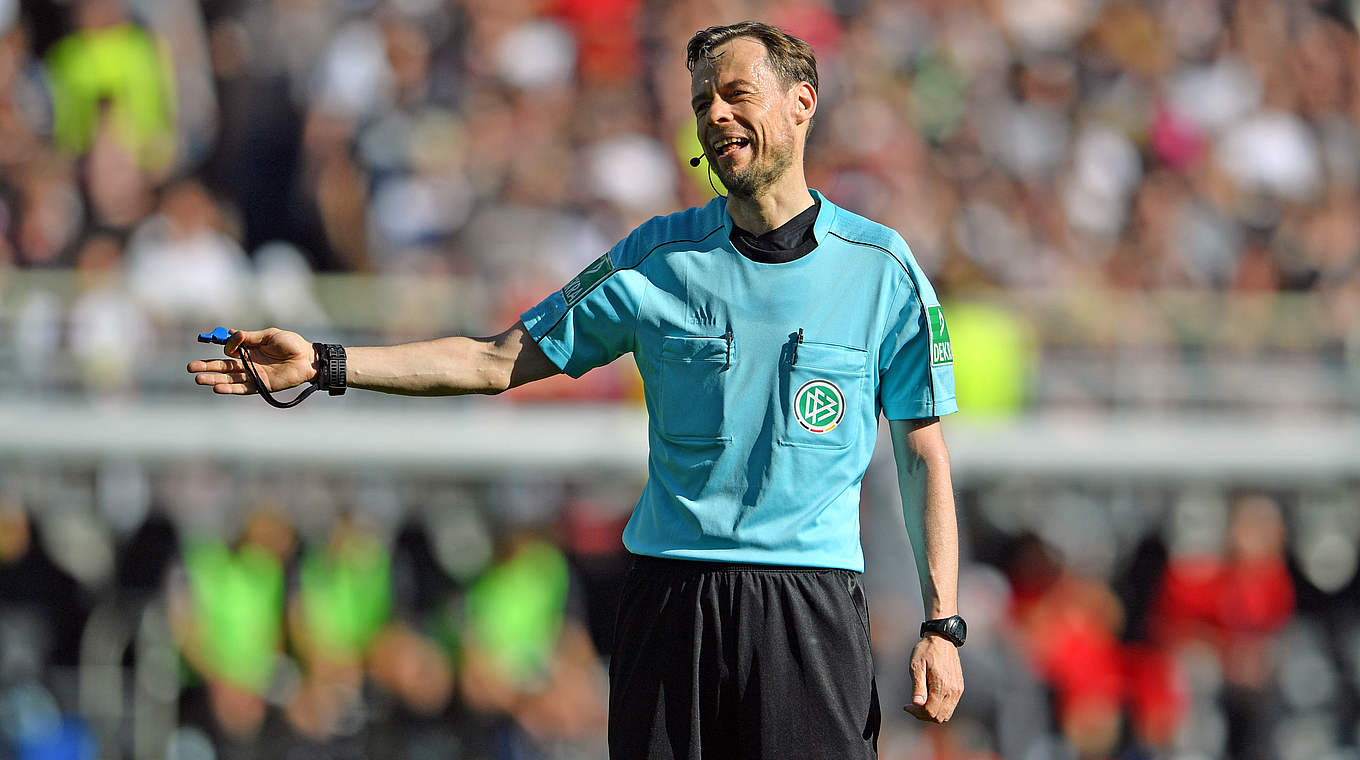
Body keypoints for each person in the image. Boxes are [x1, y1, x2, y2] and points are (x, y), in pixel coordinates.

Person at [189, 21, 964, 759]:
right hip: (674, 599)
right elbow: (496, 361)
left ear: (802, 101)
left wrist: (943, 624)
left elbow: (923, 455)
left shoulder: (882, 270)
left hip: (809, 607)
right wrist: (326, 363)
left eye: (735, 93)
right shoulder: (654, 259)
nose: (716, 115)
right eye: (702, 103)